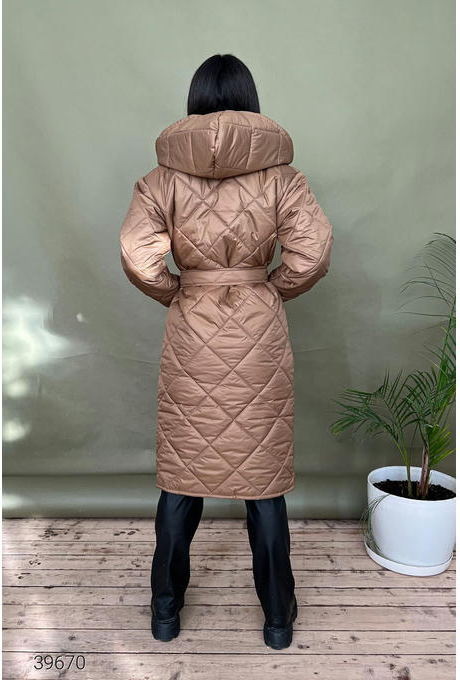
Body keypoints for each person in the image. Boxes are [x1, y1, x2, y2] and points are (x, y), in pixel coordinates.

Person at [119, 54, 334, 650]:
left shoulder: (161, 179)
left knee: (181, 478)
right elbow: (313, 251)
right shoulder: (282, 177)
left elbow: (137, 255)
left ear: (195, 99)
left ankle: (165, 614)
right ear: (250, 98)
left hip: (192, 329)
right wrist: (269, 287)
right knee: (263, 483)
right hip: (259, 335)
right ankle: (278, 621)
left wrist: (179, 291)